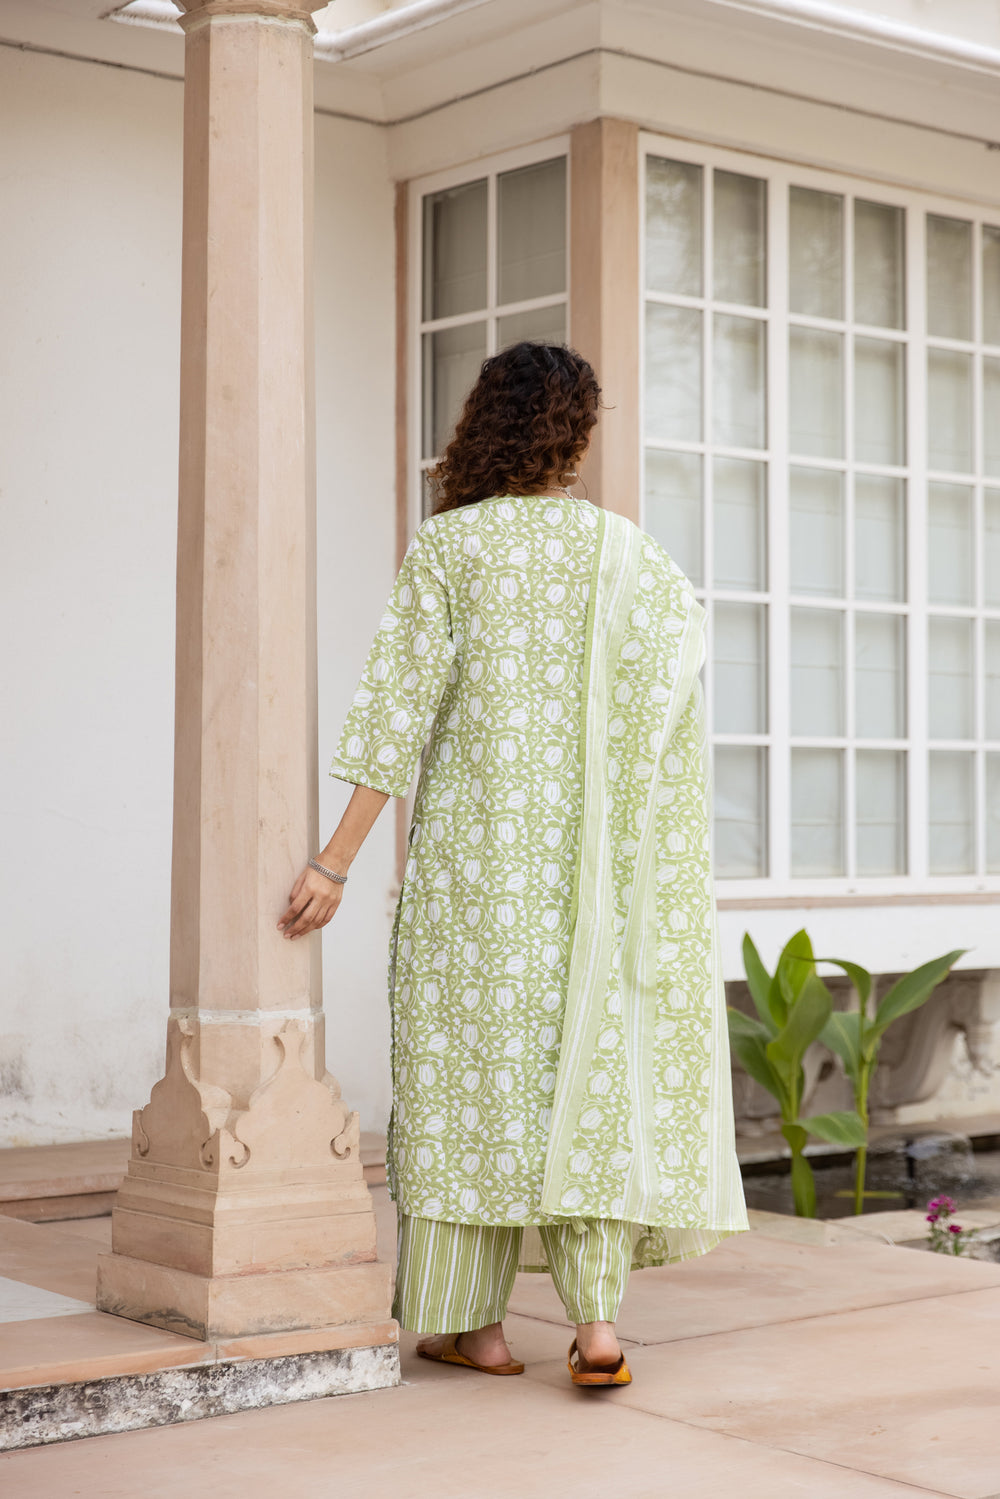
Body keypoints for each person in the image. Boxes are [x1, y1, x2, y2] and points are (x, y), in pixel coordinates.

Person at [278, 341, 747, 1388]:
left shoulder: (451, 549)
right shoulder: (633, 557)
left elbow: (396, 713)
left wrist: (334, 864)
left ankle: (475, 1329)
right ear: (575, 438)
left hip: (475, 880)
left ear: (482, 425)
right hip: (594, 887)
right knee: (583, 1079)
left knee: (466, 1085)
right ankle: (597, 1329)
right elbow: (673, 707)